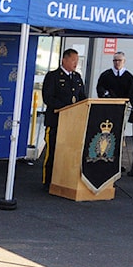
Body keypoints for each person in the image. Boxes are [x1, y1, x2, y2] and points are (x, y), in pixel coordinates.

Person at [40, 48, 86, 190]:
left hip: (72, 123)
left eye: (77, 61)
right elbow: (48, 97)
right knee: (52, 152)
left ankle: (63, 179)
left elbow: (82, 97)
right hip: (56, 121)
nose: (75, 63)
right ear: (64, 60)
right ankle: (47, 181)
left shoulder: (77, 77)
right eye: (73, 60)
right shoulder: (53, 76)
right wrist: (66, 108)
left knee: (68, 153)